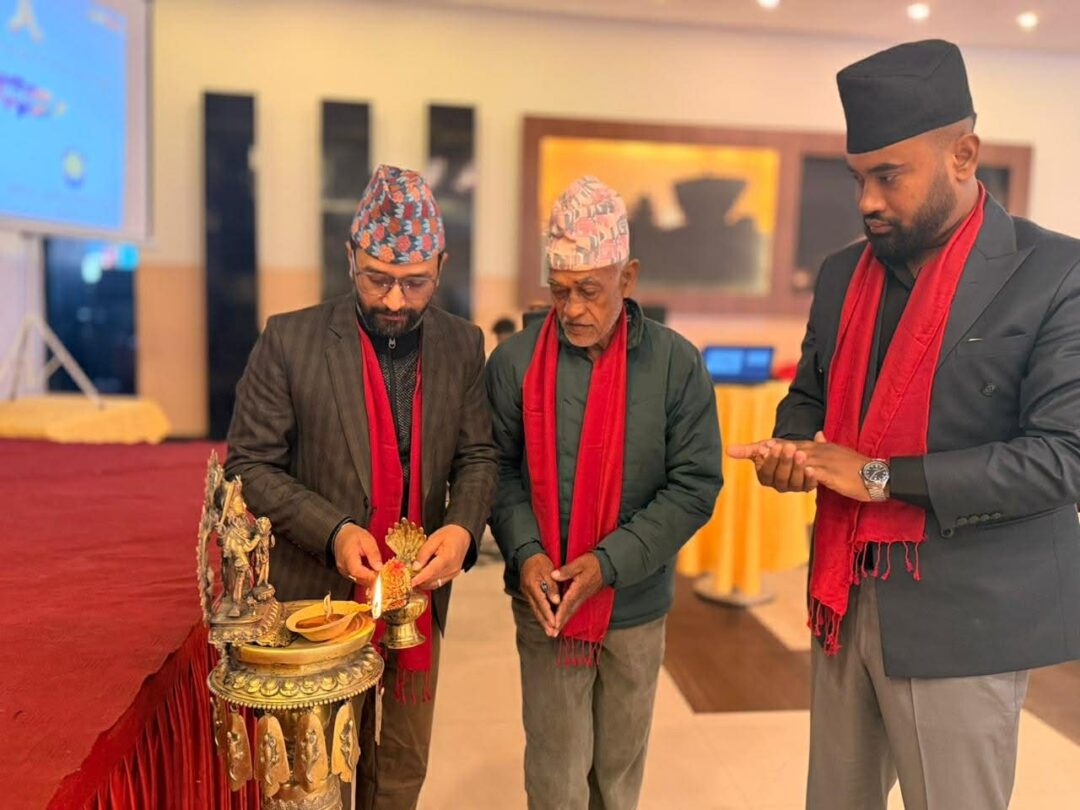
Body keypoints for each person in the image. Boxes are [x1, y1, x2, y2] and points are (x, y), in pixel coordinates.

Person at [728, 40, 1080, 810]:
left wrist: (879, 476)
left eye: (889, 175)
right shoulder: (841, 275)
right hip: (843, 595)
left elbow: (1062, 460)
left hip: (968, 614)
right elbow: (809, 399)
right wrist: (793, 451)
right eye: (858, 178)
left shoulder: (1055, 273)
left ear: (964, 155)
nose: (867, 201)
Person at [225, 164, 498, 810]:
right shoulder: (290, 341)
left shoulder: (461, 345)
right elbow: (249, 465)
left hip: (415, 605)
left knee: (400, 772)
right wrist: (335, 531)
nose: (395, 301)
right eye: (378, 279)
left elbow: (479, 456)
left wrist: (462, 529)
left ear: (441, 267)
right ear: (350, 258)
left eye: (415, 282)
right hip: (313, 605)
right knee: (314, 783)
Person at [486, 176, 723, 810]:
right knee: (556, 777)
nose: (572, 310)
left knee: (617, 778)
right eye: (559, 290)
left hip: (635, 604)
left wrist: (606, 564)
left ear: (628, 277)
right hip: (546, 602)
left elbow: (695, 485)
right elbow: (496, 471)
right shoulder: (513, 364)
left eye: (589, 290)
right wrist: (527, 553)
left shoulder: (676, 365)